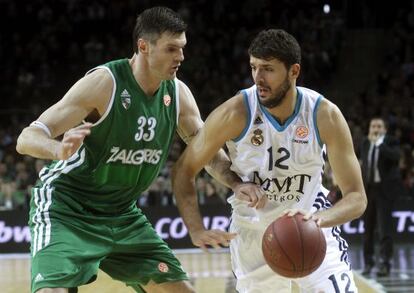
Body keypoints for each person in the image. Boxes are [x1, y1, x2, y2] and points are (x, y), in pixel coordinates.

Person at [16, 6, 239, 293]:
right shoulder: (104, 83)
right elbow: (27, 137)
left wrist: (237, 183)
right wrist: (57, 149)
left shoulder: (178, 94)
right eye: (172, 49)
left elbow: (206, 152)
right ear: (143, 46)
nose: (181, 57)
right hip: (68, 209)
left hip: (122, 214)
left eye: (182, 48)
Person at [172, 29, 367, 292]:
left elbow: (357, 197)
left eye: (268, 69)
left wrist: (320, 219)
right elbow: (185, 169)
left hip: (312, 227)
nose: (258, 78)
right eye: (254, 67)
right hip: (253, 233)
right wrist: (195, 229)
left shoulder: (325, 115)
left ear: (294, 71)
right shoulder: (235, 112)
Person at [360, 117, 401, 277]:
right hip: (368, 191)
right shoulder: (365, 143)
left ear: (384, 129)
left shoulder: (391, 142)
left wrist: (380, 144)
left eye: (378, 126)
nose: (375, 129)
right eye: (373, 125)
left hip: (384, 192)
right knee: (367, 230)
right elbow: (363, 164)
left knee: (385, 230)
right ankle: (368, 264)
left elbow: (395, 157)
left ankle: (385, 264)